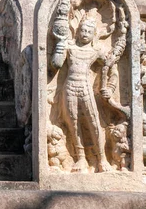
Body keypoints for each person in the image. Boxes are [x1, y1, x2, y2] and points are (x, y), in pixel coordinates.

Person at [51, 12, 112, 173]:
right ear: (77, 32)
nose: (85, 34)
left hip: (85, 87)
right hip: (69, 87)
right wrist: (60, 44)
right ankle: (81, 158)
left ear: (93, 35)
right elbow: (56, 64)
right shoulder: (70, 48)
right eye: (83, 31)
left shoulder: (97, 51)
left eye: (88, 32)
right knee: (73, 123)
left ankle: (102, 159)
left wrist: (108, 87)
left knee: (93, 122)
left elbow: (110, 66)